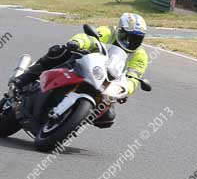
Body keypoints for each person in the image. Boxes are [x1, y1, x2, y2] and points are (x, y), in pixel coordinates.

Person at [10, 14, 149, 129]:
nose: (130, 41)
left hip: (106, 82)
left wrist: (125, 90)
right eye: (127, 36)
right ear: (119, 30)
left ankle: (71, 121)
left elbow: (134, 77)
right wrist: (77, 42)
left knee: (107, 118)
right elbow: (88, 38)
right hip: (85, 64)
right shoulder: (109, 32)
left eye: (137, 38)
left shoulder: (140, 55)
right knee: (58, 51)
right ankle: (23, 79)